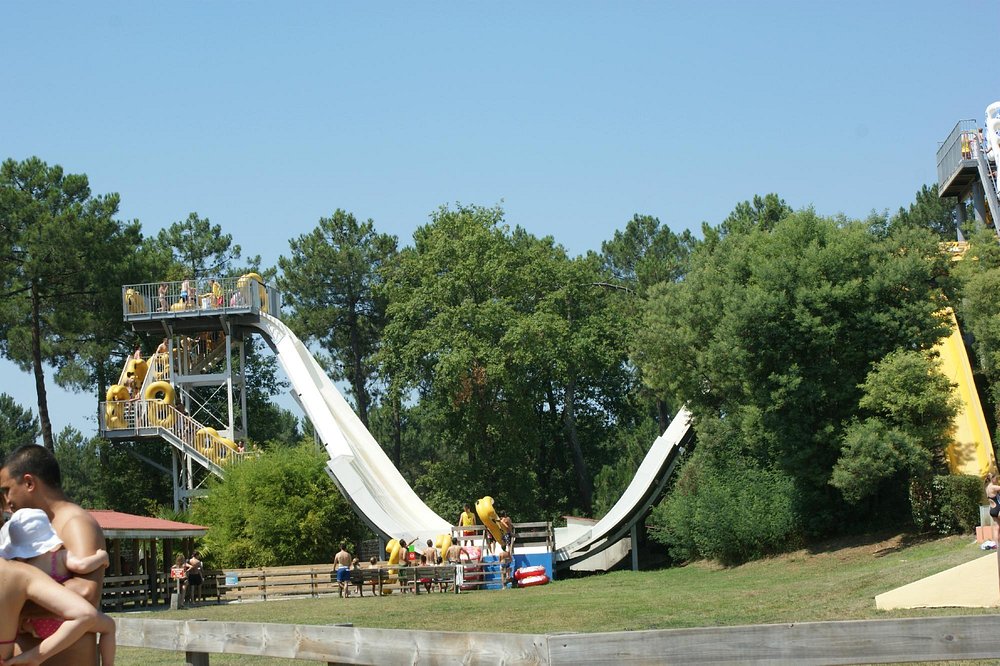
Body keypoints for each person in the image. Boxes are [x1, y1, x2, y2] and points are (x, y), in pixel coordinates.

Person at [0, 445, 107, 666]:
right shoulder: (29, 529)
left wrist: (16, 608)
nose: (6, 500)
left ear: (29, 483)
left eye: (7, 489)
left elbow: (86, 593)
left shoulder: (74, 522)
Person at [0, 558, 116, 666]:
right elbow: (86, 614)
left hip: (32, 625)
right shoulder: (19, 572)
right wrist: (36, 656)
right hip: (57, 619)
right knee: (109, 625)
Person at [986, 473, 1000, 542]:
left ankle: (997, 546)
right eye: (996, 478)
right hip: (998, 509)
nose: (997, 480)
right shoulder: (993, 487)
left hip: (992, 510)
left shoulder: (987, 488)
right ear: (992, 479)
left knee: (996, 528)